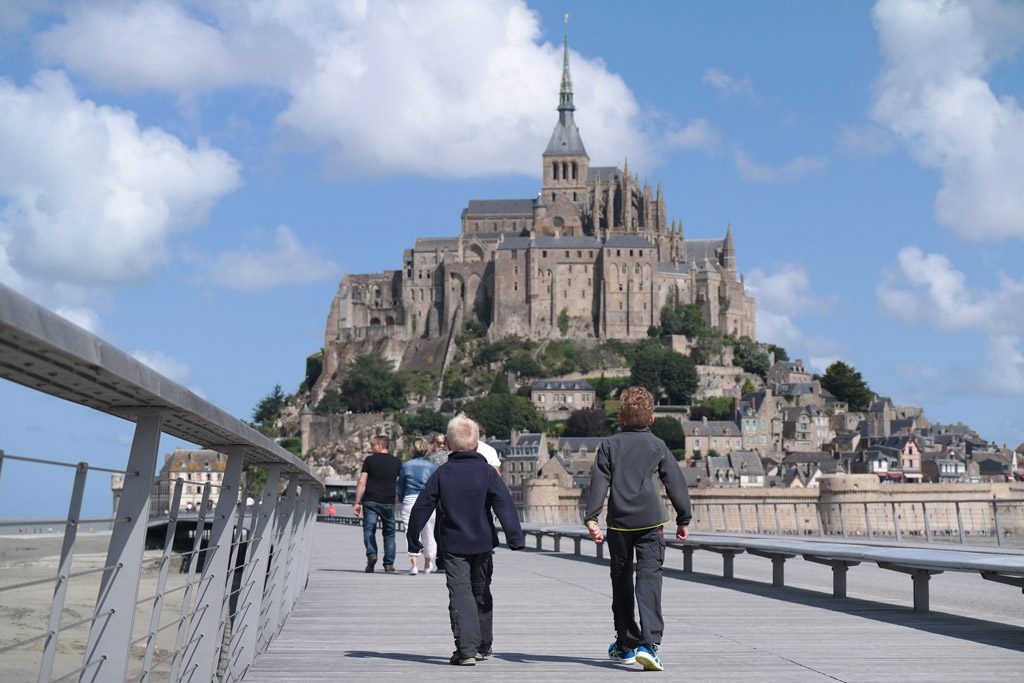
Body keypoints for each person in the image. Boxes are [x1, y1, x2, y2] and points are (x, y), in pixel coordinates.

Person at [583, 386, 692, 672]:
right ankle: (649, 644)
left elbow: (599, 483)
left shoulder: (608, 445)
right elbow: (675, 483)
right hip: (651, 522)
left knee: (620, 580)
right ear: (652, 419)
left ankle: (625, 643)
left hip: (619, 524)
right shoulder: (658, 445)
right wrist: (684, 518)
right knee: (649, 579)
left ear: (620, 417)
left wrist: (592, 518)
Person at [406, 413, 525, 666]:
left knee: (460, 593)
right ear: (476, 444)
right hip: (483, 543)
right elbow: (505, 504)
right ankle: (483, 645)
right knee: (481, 592)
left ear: (448, 444)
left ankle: (466, 649)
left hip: (453, 544)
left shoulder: (442, 473)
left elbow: (422, 506)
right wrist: (514, 537)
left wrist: (412, 537)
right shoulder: (488, 473)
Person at [353, 435, 402, 573]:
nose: (371, 448)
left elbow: (362, 482)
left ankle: (372, 554)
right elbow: (401, 483)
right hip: (388, 502)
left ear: (380, 445)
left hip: (370, 501)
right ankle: (388, 565)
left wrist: (357, 502)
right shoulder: (397, 462)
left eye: (373, 445)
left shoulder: (369, 460)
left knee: (369, 530)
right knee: (390, 533)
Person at [397, 436, 438, 575]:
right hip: (427, 501)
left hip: (410, 500)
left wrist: (402, 499)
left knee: (411, 533)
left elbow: (400, 487)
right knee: (428, 532)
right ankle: (427, 564)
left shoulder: (406, 465)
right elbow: (435, 486)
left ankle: (414, 565)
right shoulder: (432, 467)